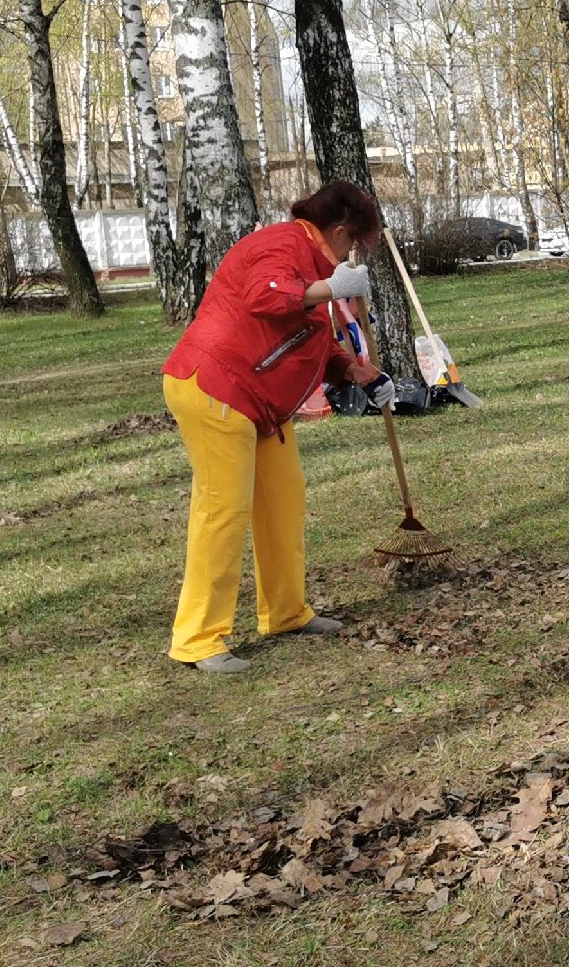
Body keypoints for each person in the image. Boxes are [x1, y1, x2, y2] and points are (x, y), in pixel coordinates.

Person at [160, 181, 405, 674]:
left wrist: (358, 372)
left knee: (283, 500)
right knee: (223, 510)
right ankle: (197, 639)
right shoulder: (281, 244)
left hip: (261, 401)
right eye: (355, 244)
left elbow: (307, 337)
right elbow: (265, 297)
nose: (353, 255)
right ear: (339, 232)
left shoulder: (313, 261)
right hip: (216, 386)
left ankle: (286, 613)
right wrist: (331, 289)